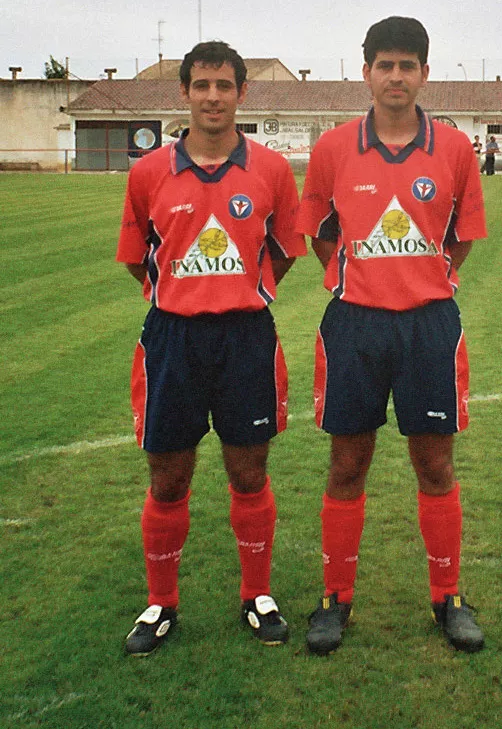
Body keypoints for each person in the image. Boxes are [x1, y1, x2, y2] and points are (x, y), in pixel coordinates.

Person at [296, 16, 487, 656]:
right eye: (385, 64)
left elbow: (458, 239)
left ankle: (449, 598)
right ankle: (335, 599)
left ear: (425, 73)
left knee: (434, 463)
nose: (396, 76)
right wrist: (363, 277)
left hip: (430, 325)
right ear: (367, 71)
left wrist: (422, 279)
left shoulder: (456, 150)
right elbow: (320, 230)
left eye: (408, 65)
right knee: (347, 462)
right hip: (354, 324)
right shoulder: (331, 149)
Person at [116, 40, 306, 655]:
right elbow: (136, 259)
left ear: (242, 93)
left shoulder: (272, 170)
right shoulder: (147, 173)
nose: (213, 97)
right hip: (172, 338)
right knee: (168, 477)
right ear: (185, 93)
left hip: (246, 337)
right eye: (202, 85)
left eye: (225, 86)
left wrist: (236, 290)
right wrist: (184, 294)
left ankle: (257, 594)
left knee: (249, 472)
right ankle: (160, 602)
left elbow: (286, 249)